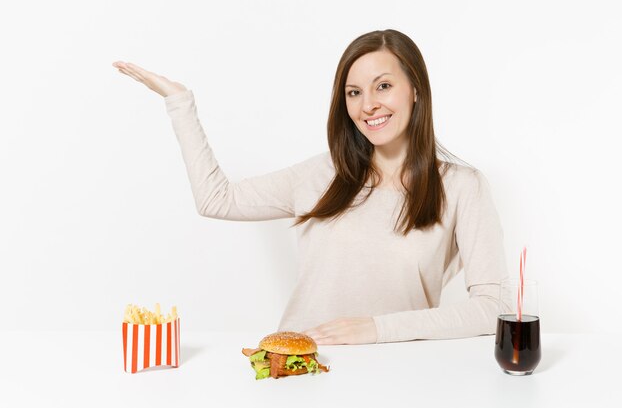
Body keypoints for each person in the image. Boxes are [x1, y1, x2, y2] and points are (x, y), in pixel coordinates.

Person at [112, 29, 507, 345]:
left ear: (416, 90)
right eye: (354, 92)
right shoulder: (319, 176)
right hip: (299, 371)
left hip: (398, 374)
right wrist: (180, 103)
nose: (368, 104)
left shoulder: (462, 187)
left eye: (383, 86)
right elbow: (217, 199)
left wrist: (375, 329)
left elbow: (493, 308)